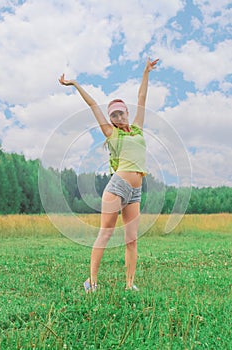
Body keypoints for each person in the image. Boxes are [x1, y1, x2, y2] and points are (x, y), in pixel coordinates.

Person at [59, 57, 159, 292]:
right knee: (106, 233)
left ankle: (130, 284)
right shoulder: (110, 133)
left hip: (135, 191)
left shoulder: (137, 129)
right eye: (113, 115)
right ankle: (91, 282)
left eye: (120, 113)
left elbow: (142, 98)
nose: (117, 118)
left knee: (132, 239)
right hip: (117, 187)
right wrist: (74, 84)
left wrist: (146, 72)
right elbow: (93, 105)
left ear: (126, 113)